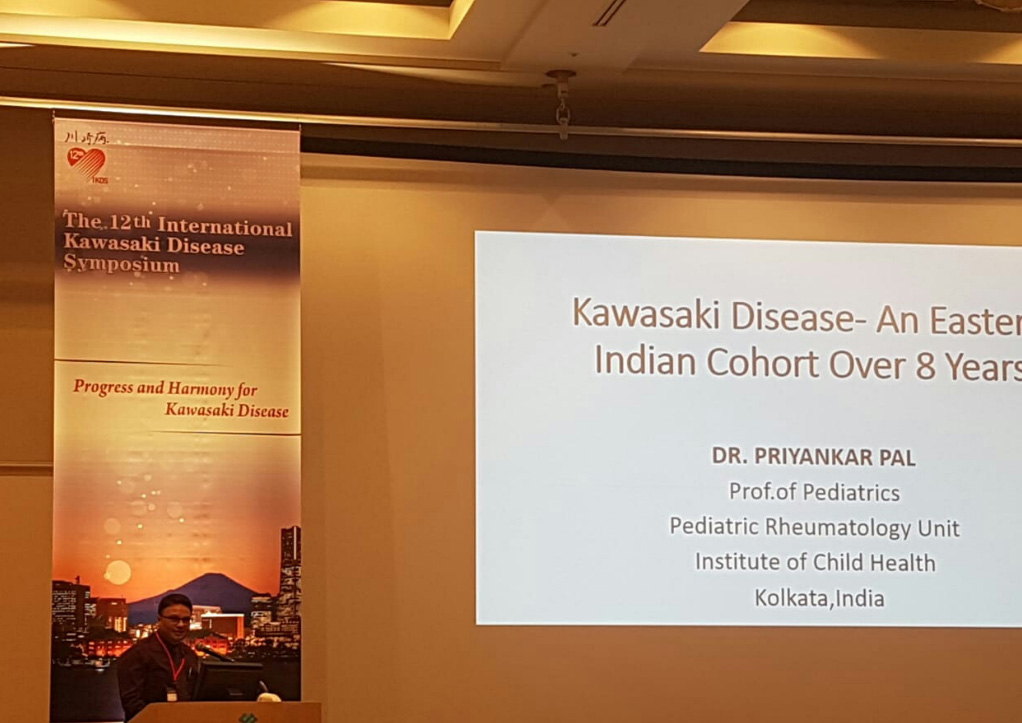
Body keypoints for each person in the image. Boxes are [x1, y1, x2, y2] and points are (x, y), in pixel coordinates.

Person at [117, 593, 200, 721]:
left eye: (186, 620)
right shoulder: (137, 655)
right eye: (174, 619)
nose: (180, 625)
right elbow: (132, 704)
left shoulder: (190, 655)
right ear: (159, 619)